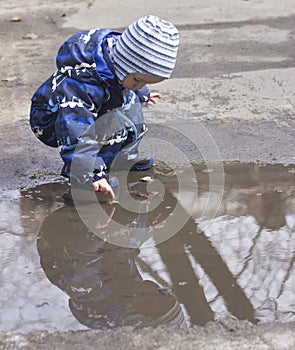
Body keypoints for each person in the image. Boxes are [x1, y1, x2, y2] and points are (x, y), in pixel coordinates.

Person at [29, 15, 179, 199]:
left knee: (133, 108)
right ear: (124, 64)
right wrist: (91, 172)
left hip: (92, 105)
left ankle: (122, 158)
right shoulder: (82, 84)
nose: (139, 85)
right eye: (138, 81)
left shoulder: (118, 66)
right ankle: (85, 177)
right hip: (53, 120)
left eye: (145, 82)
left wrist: (142, 94)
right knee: (111, 124)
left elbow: (131, 79)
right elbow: (76, 131)